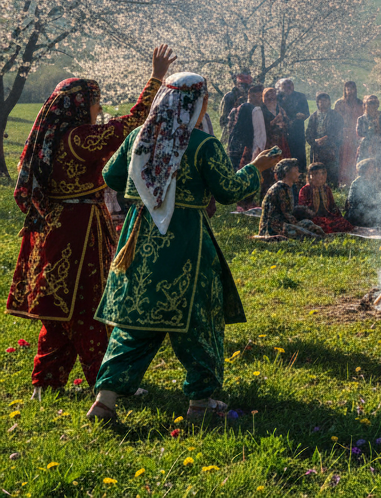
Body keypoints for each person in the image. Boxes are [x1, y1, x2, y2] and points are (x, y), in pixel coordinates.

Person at [87, 73, 281, 423]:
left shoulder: (136, 139)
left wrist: (147, 194)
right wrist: (256, 168)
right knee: (197, 321)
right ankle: (200, 404)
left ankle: (105, 400)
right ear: (198, 104)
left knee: (136, 321)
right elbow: (227, 192)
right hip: (187, 241)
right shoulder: (203, 145)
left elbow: (112, 177)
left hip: (140, 239)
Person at [7, 47, 171, 399]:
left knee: (60, 309)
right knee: (89, 306)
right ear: (81, 105)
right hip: (80, 230)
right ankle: (108, 382)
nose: (98, 109)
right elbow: (128, 126)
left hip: (58, 225)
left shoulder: (51, 140)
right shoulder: (79, 138)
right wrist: (155, 80)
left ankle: (45, 382)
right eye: (95, 102)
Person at [259, 159, 326, 239]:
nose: (299, 173)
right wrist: (297, 224)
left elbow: (290, 210)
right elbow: (285, 214)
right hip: (274, 227)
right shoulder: (279, 188)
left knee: (309, 224)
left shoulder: (289, 187)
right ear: (287, 172)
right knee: (309, 234)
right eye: (296, 170)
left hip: (285, 223)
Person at [297, 162, 354, 234]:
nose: (321, 176)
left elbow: (333, 206)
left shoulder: (326, 189)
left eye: (323, 173)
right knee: (322, 226)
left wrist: (338, 216)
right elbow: (303, 208)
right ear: (310, 175)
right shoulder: (305, 189)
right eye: (317, 173)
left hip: (327, 217)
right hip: (312, 218)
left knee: (344, 224)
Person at [305, 93, 344, 184]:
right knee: (316, 170)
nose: (322, 103)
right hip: (317, 149)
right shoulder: (314, 116)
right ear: (317, 103)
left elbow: (339, 132)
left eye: (325, 100)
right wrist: (315, 141)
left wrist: (327, 139)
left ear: (329, 102)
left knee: (332, 171)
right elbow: (308, 133)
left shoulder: (336, 116)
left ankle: (332, 191)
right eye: (320, 101)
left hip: (331, 148)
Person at [226, 85, 266, 169]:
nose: (258, 99)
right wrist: (257, 155)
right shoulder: (256, 110)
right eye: (256, 96)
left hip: (234, 148)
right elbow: (259, 135)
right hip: (248, 149)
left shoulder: (236, 109)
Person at [333, 81, 363, 186]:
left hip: (356, 133)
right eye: (348, 89)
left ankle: (354, 180)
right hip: (343, 134)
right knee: (343, 157)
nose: (350, 91)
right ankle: (343, 181)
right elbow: (335, 120)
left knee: (355, 155)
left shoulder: (360, 103)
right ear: (345, 90)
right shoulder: (339, 103)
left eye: (352, 88)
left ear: (355, 89)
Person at [276, 78, 310, 170]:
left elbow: (306, 113)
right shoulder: (277, 97)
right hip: (281, 131)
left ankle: (300, 174)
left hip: (297, 130)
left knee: (299, 154)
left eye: (290, 84)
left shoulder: (300, 96)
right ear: (280, 86)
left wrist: (301, 116)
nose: (288, 86)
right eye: (285, 84)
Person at [345, 159, 381, 228]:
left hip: (368, 212)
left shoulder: (370, 183)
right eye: (372, 167)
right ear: (365, 169)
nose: (374, 169)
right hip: (359, 214)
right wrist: (372, 203)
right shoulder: (356, 183)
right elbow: (353, 200)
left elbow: (377, 199)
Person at [356, 94, 381, 171]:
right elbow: (359, 133)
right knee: (363, 170)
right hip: (366, 148)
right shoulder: (361, 119)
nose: (372, 106)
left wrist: (378, 128)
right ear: (365, 105)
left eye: (374, 103)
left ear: (377, 105)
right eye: (369, 103)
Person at [219, 70, 252, 144]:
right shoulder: (230, 95)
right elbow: (224, 113)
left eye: (246, 85)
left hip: (247, 126)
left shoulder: (251, 96)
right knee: (226, 143)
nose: (244, 87)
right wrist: (226, 125)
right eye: (242, 84)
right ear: (238, 84)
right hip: (231, 124)